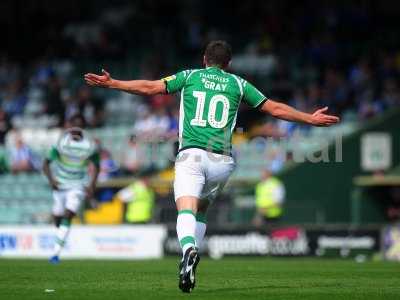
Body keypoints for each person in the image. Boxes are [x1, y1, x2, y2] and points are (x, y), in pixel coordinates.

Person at [84, 40, 339, 293]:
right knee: (201, 210)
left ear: (204, 59)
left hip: (191, 155)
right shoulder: (238, 83)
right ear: (228, 64)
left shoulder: (189, 76)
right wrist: (309, 118)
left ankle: (188, 250)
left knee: (186, 207)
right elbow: (274, 108)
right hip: (222, 161)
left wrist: (114, 83)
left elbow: (150, 87)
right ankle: (191, 260)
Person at [42, 116, 100, 263]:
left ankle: (56, 254)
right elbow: (46, 163)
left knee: (68, 215)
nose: (75, 131)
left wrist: (92, 185)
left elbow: (96, 166)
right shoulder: (61, 143)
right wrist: (51, 180)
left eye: (78, 128)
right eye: (73, 127)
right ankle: (61, 237)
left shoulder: (90, 146)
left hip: (78, 185)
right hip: (60, 185)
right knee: (57, 217)